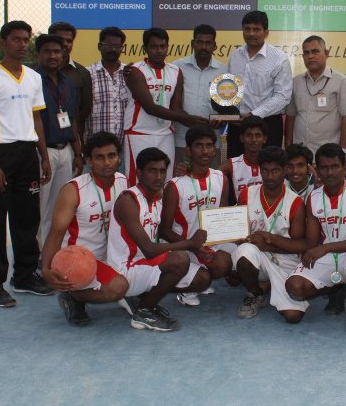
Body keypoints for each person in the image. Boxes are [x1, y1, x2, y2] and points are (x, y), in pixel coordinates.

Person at [0, 20, 53, 307]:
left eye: (25, 39)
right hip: (0, 152)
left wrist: (43, 155)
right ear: (3, 42)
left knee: (27, 219)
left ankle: (25, 275)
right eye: (16, 39)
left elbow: (37, 119)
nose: (22, 44)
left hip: (27, 152)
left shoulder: (32, 77)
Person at [106, 147, 202, 332]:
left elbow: (163, 233)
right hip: (125, 269)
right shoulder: (128, 200)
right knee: (180, 259)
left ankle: (142, 297)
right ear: (139, 173)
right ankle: (144, 310)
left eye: (162, 171)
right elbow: (149, 249)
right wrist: (189, 244)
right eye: (152, 171)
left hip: (146, 264)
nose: (158, 177)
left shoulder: (158, 197)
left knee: (202, 279)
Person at [285, 143, 346, 333]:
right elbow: (311, 242)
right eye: (324, 168)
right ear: (317, 170)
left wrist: (325, 248)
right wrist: (309, 252)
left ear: (344, 166)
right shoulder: (314, 196)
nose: (330, 172)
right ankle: (335, 288)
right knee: (294, 287)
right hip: (328, 257)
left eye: (335, 166)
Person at [40, 132, 129, 326]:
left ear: (119, 157)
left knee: (151, 274)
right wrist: (46, 269)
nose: (107, 162)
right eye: (99, 157)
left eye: (111, 156)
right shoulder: (73, 190)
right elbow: (55, 235)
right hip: (79, 260)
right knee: (118, 288)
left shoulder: (123, 181)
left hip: (111, 256)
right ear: (89, 160)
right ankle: (72, 295)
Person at [233, 146, 310, 323]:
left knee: (293, 316)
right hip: (256, 256)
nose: (269, 176)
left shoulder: (296, 203)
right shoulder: (247, 194)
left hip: (285, 260)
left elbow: (301, 245)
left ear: (285, 171)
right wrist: (239, 236)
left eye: (275, 170)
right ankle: (255, 293)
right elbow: (237, 229)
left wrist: (270, 242)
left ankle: (269, 286)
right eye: (265, 171)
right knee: (244, 252)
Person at [159, 125, 232, 308]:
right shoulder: (174, 185)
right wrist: (193, 246)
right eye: (199, 146)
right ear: (188, 151)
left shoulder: (221, 178)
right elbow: (164, 230)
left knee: (227, 262)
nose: (205, 151)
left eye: (209, 145)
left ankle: (198, 277)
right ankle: (183, 286)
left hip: (208, 245)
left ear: (215, 150)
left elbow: (221, 218)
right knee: (203, 279)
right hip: (182, 247)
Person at [124, 27, 205, 184]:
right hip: (138, 134)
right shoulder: (135, 70)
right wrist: (190, 119)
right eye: (154, 47)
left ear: (168, 47)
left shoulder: (175, 71)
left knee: (165, 181)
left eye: (163, 46)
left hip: (165, 135)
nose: (159, 51)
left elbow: (175, 109)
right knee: (136, 181)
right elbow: (150, 108)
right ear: (145, 48)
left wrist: (201, 124)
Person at [33, 34, 83, 246]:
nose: (53, 56)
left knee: (60, 205)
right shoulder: (33, 80)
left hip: (65, 151)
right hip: (43, 151)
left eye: (57, 51)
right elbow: (35, 121)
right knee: (40, 206)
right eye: (47, 51)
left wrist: (77, 153)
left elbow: (71, 119)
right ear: (38, 54)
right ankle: (36, 252)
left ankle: (53, 250)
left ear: (64, 54)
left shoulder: (66, 82)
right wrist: (44, 157)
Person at [227, 10, 292, 155]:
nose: (251, 33)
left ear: (266, 32)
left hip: (267, 124)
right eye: (247, 29)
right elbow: (230, 90)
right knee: (236, 170)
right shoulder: (235, 56)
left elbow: (283, 97)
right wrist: (225, 113)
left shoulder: (279, 58)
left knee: (269, 171)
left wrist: (254, 114)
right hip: (238, 125)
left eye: (256, 29)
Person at [285, 36, 346, 160]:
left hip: (329, 157)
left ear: (326, 53)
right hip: (300, 156)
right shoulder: (295, 82)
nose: (310, 56)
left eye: (315, 51)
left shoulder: (341, 82)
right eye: (306, 53)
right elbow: (290, 117)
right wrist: (288, 148)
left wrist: (344, 151)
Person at [173, 24, 226, 169]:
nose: (203, 46)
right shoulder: (176, 67)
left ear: (214, 46)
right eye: (200, 42)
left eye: (208, 43)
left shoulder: (224, 70)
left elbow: (228, 107)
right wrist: (186, 119)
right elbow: (171, 103)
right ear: (192, 44)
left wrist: (220, 119)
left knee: (210, 183)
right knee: (182, 182)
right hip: (182, 139)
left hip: (212, 140)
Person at [85, 26, 128, 148]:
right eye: (108, 45)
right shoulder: (88, 74)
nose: (113, 49)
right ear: (99, 46)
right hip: (95, 148)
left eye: (118, 46)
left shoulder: (130, 74)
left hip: (123, 147)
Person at [48, 22, 92, 139]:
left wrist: (70, 122)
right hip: (41, 137)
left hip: (71, 138)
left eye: (69, 41)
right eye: (61, 40)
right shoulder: (34, 71)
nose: (66, 44)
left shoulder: (82, 72)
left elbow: (86, 108)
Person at [221, 115, 266, 203]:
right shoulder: (231, 164)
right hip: (241, 214)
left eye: (258, 135)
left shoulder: (274, 163)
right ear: (241, 138)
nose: (253, 139)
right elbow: (210, 177)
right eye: (249, 135)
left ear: (264, 139)